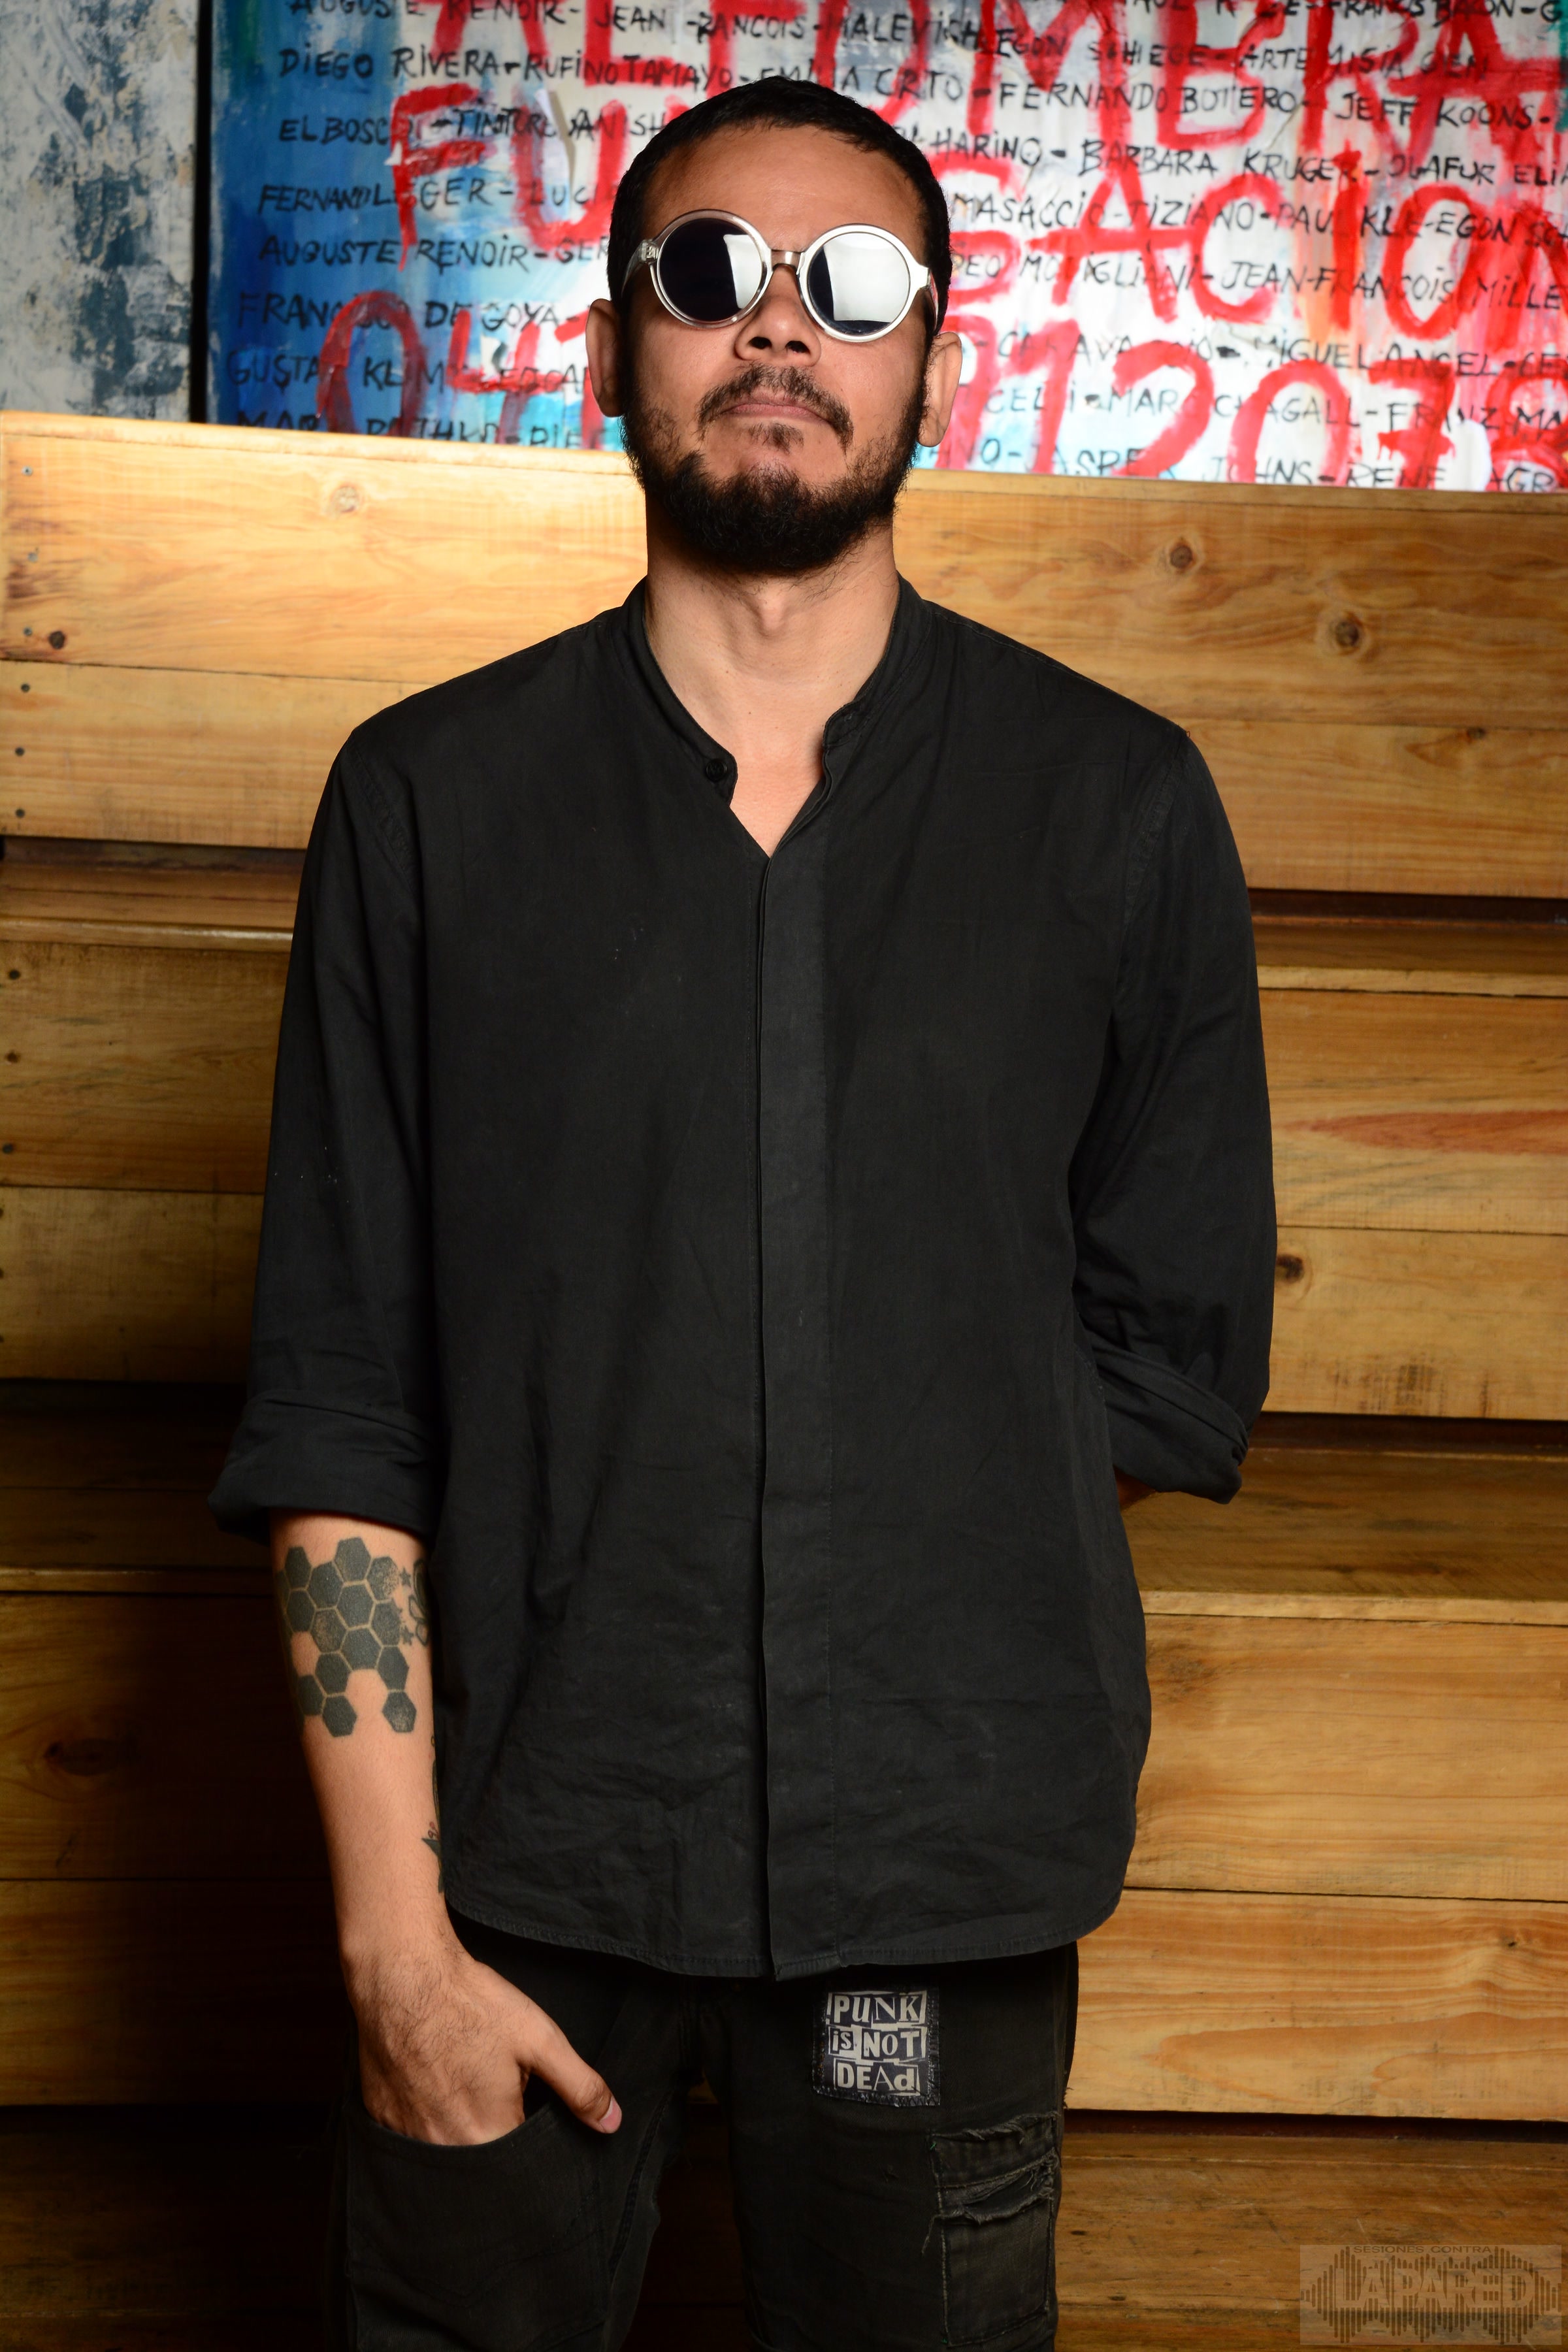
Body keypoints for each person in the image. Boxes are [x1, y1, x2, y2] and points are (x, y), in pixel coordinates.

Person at [212, 73, 1275, 2352]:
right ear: (613, 343)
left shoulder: (1116, 812)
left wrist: (875, 1574)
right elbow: (338, 1399)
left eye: (855, 285)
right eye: (709, 272)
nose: (779, 327)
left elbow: (1151, 1357)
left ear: (934, 362)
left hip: (926, 1923)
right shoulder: (426, 805)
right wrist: (398, 1951)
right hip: (511, 1890)